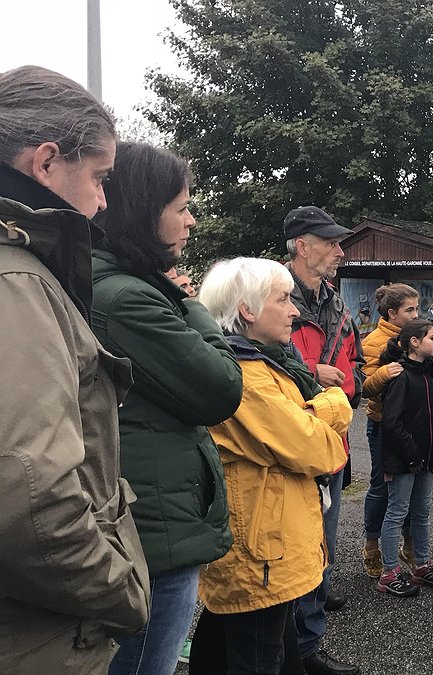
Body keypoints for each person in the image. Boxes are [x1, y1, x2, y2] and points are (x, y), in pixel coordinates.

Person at [0, 65, 149, 674]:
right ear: (46, 162)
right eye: (99, 177)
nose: (104, 200)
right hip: (34, 640)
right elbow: (28, 496)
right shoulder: (17, 280)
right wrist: (122, 590)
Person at [88, 142, 242, 675]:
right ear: (139, 212)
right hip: (154, 534)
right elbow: (220, 388)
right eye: (180, 208)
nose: (191, 221)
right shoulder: (128, 298)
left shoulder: (110, 284)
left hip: (147, 518)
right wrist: (192, 305)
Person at [189, 257, 350, 675]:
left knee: (240, 647)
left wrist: (310, 415)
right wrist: (333, 403)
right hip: (261, 553)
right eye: (283, 299)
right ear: (247, 309)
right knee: (258, 657)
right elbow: (319, 451)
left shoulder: (258, 362)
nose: (295, 310)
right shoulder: (245, 373)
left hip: (265, 548)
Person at [283, 206, 361, 675]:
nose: (340, 251)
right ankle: (286, 646)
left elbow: (351, 367)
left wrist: (342, 385)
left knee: (322, 551)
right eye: (330, 242)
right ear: (301, 245)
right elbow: (248, 357)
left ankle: (308, 647)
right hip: (285, 442)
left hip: (331, 442)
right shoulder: (267, 293)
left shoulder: (338, 303)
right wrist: (314, 374)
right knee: (286, 552)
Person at [358, 283, 420, 578]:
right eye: (410, 310)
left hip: (414, 424)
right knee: (382, 487)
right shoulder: (374, 341)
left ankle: (408, 546)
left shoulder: (420, 335)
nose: (415, 315)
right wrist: (385, 371)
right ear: (392, 313)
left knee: (413, 489)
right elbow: (365, 388)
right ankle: (372, 546)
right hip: (383, 424)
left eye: (417, 309)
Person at [377, 319, 433, 597]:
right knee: (397, 511)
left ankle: (422, 564)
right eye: (432, 338)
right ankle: (389, 571)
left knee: (422, 513)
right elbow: (391, 422)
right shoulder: (400, 376)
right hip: (404, 459)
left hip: (426, 459)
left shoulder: (430, 374)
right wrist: (412, 454)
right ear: (414, 342)